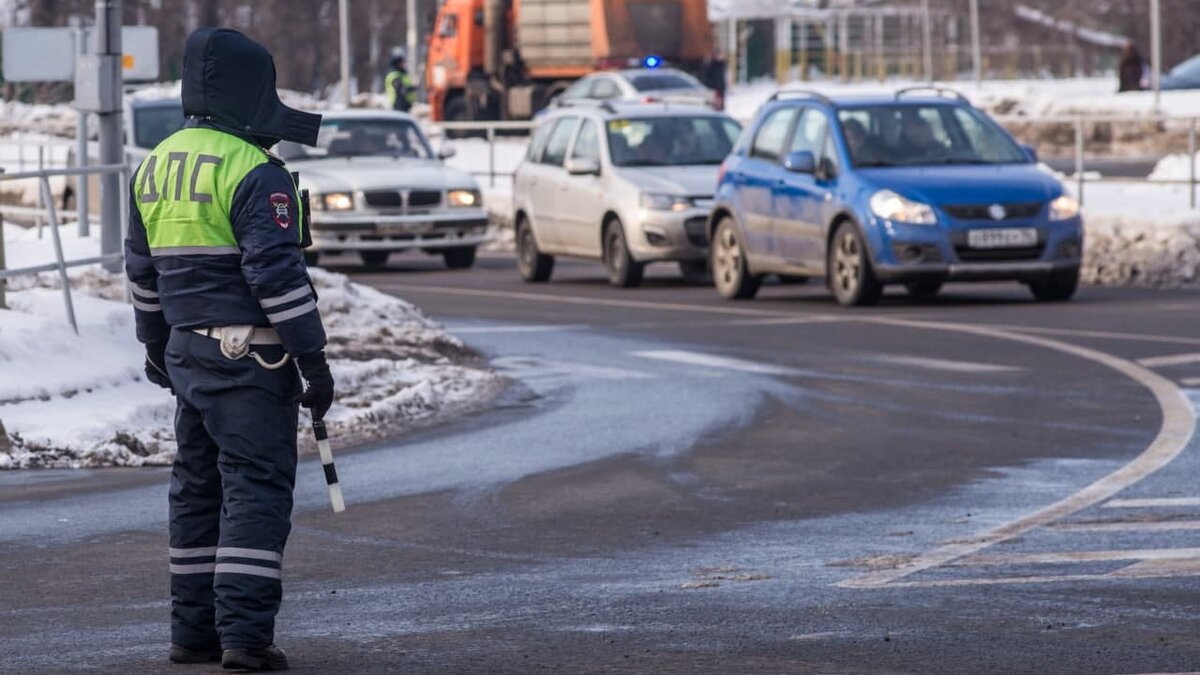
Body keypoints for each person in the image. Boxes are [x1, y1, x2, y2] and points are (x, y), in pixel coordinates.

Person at [124, 27, 335, 672]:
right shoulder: (254, 170)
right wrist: (313, 359)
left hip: (189, 353)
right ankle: (244, 639)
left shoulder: (155, 163)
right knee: (254, 488)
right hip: (254, 359)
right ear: (250, 90)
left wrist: (158, 348)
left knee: (196, 490)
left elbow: (142, 274)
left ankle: (192, 636)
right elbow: (277, 277)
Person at [385, 48, 417, 112]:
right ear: (397, 63)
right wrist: (412, 88)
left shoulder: (402, 74)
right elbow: (400, 89)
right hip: (399, 106)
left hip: (405, 106)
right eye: (402, 62)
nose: (404, 64)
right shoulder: (394, 75)